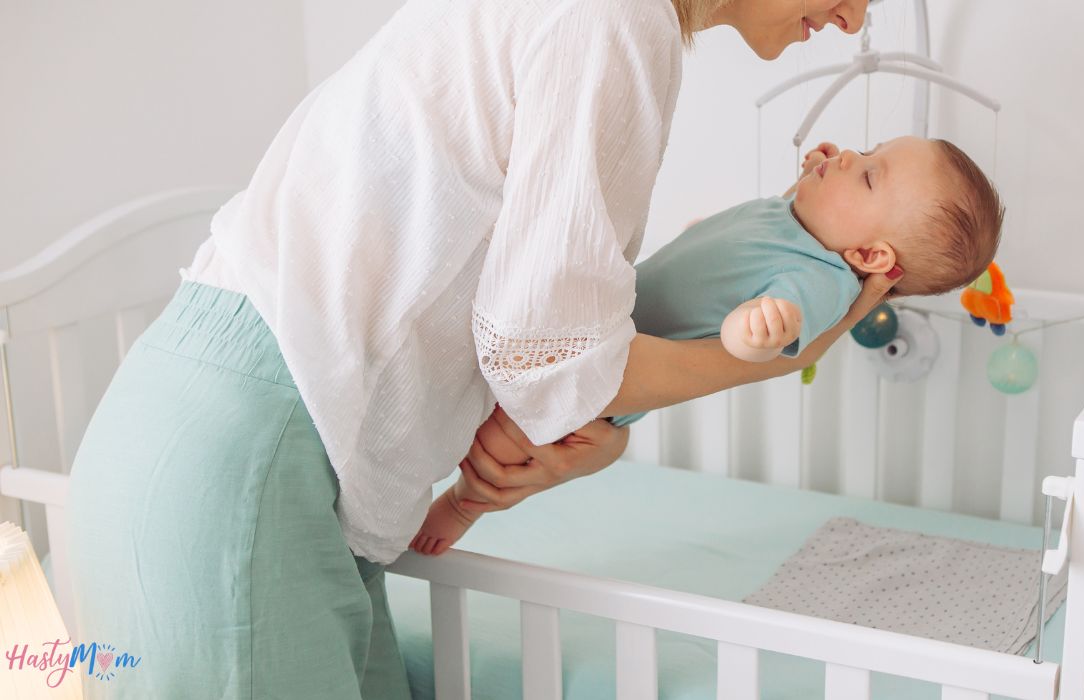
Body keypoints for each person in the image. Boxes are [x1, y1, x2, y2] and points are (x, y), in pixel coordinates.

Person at [67, 1, 891, 698]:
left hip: (260, 442)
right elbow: (552, 356)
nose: (855, 18)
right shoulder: (613, 22)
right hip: (249, 454)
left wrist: (585, 424)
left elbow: (526, 331)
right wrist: (786, 350)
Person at [410, 135, 1004, 555]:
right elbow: (773, 230)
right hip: (594, 328)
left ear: (870, 258)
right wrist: (822, 175)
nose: (850, 155)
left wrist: (759, 329)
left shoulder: (819, 280)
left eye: (869, 174)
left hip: (599, 389)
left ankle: (462, 506)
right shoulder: (796, 220)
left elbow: (781, 333)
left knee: (502, 439)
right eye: (869, 150)